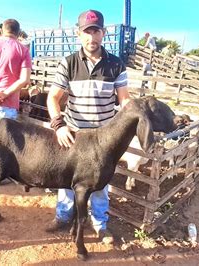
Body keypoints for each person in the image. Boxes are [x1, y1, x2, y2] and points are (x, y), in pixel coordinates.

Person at [46, 9, 130, 244]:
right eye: (87, 32)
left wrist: (132, 113)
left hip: (103, 139)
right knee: (67, 179)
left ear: (103, 33)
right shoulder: (69, 63)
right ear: (78, 34)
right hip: (73, 134)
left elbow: (124, 99)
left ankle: (100, 224)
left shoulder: (116, 64)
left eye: (96, 31)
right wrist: (59, 125)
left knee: (101, 184)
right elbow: (53, 98)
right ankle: (63, 217)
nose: (92, 37)